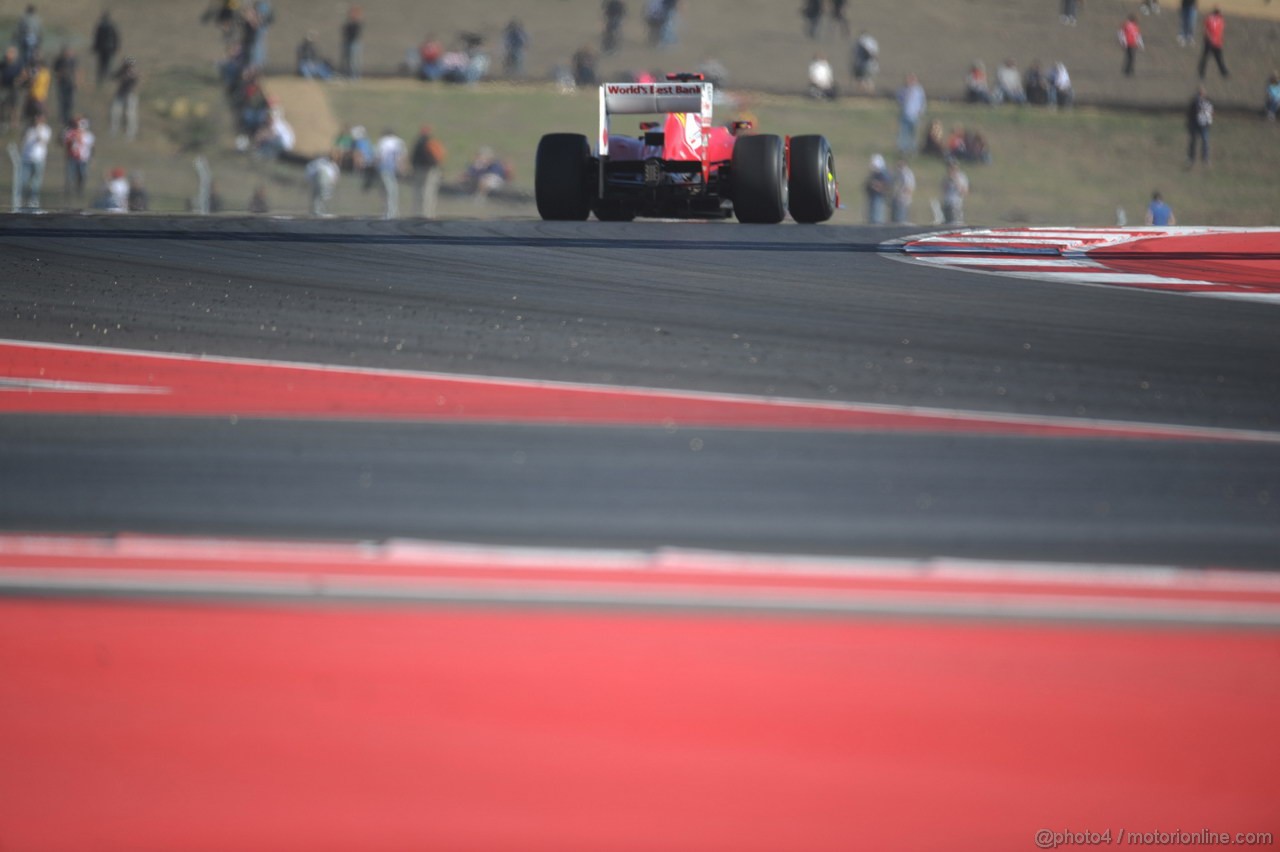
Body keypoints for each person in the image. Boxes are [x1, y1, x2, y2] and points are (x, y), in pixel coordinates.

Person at [410, 124, 446, 218]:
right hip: (430, 170)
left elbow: (412, 157)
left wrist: (414, 167)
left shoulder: (417, 143)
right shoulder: (431, 143)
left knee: (418, 191)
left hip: (419, 169)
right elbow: (439, 156)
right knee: (429, 191)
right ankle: (428, 213)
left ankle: (418, 212)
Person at [18, 112, 51, 211]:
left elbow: (42, 141)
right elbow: (23, 140)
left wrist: (38, 129)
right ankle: (21, 199)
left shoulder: (46, 129)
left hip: (39, 158)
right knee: (23, 180)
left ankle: (33, 200)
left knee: (36, 182)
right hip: (26, 158)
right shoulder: (29, 129)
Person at [375, 128, 407, 219]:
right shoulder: (399, 142)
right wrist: (402, 169)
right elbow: (402, 157)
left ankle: (389, 212)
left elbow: (379, 156)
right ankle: (393, 211)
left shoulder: (383, 141)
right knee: (393, 191)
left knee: (386, 191)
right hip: (394, 169)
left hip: (384, 168)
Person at [62, 116, 93, 202]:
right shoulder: (70, 133)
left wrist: (90, 157)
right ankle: (69, 191)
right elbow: (64, 142)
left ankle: (79, 190)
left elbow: (91, 147)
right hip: (72, 157)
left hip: (83, 158)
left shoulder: (88, 135)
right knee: (70, 175)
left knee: (82, 175)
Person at [110, 57, 139, 140]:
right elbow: (113, 77)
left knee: (130, 114)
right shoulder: (122, 72)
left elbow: (134, 81)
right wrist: (121, 73)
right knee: (115, 112)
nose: (128, 67)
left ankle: (131, 133)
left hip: (130, 95)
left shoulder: (133, 73)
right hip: (120, 94)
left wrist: (128, 75)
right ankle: (113, 130)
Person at [896, 73, 926, 155]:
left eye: (912, 80)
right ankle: (903, 149)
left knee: (913, 133)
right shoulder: (903, 90)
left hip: (915, 115)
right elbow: (899, 100)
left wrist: (921, 112)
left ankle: (913, 149)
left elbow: (923, 102)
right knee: (904, 133)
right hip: (905, 115)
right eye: (909, 80)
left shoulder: (919, 90)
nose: (910, 82)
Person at [305, 151, 340, 216]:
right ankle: (318, 212)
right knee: (319, 197)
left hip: (323, 180)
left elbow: (335, 175)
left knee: (320, 197)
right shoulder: (321, 162)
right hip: (320, 179)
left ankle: (319, 211)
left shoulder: (331, 164)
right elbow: (310, 170)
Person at [1186, 85, 1213, 167]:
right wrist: (1190, 124)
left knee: (1205, 141)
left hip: (1204, 126)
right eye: (1200, 93)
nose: (1201, 95)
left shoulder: (1207, 102)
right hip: (1195, 125)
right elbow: (1190, 114)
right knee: (1193, 142)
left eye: (1202, 93)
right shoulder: (1194, 103)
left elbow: (1210, 113)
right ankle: (1191, 159)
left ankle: (1206, 158)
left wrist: (1208, 122)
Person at [52, 45, 77, 128]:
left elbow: (76, 72)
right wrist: (60, 75)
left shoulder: (73, 61)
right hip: (62, 83)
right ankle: (62, 117)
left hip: (71, 84)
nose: (69, 54)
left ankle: (68, 117)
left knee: (69, 102)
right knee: (62, 101)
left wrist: (76, 82)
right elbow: (55, 71)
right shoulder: (59, 61)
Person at [1199, 6, 1228, 79]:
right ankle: (1223, 72)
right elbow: (1220, 31)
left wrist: (1208, 37)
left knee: (1206, 57)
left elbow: (1205, 29)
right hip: (1215, 42)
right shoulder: (1220, 20)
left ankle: (1202, 71)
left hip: (1212, 41)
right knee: (1218, 58)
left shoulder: (1210, 18)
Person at [91, 11, 119, 87]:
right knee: (107, 64)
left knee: (101, 64)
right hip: (109, 48)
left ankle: (101, 79)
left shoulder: (100, 26)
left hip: (101, 49)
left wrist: (94, 48)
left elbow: (96, 38)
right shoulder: (112, 26)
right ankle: (106, 77)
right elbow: (116, 37)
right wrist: (116, 47)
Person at [941, 160, 969, 225]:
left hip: (956, 205)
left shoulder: (961, 177)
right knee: (946, 224)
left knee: (955, 223)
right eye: (949, 167)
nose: (950, 169)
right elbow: (943, 190)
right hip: (946, 204)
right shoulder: (946, 178)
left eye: (953, 167)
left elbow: (964, 192)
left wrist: (955, 181)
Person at [864, 154, 889, 224]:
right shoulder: (875, 174)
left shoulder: (882, 174)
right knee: (872, 217)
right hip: (873, 197)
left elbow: (885, 186)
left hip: (878, 198)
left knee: (877, 217)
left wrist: (875, 185)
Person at [341, 5, 363, 79]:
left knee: (354, 62)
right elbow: (344, 32)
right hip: (347, 43)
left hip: (354, 43)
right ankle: (348, 75)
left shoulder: (357, 24)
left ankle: (355, 76)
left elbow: (356, 34)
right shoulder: (348, 23)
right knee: (348, 61)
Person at [891, 159, 915, 224]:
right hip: (897, 200)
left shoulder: (906, 173)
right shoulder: (898, 173)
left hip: (902, 201)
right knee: (895, 221)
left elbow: (909, 187)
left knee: (901, 221)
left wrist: (902, 195)